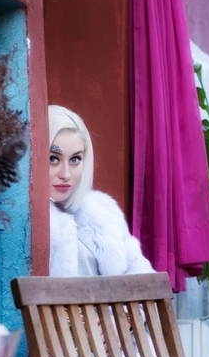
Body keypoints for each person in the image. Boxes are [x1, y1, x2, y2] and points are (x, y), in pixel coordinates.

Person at [48, 104, 154, 277]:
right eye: (53, 159)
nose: (65, 174)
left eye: (75, 159)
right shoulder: (26, 221)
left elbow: (142, 278)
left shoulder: (105, 210)